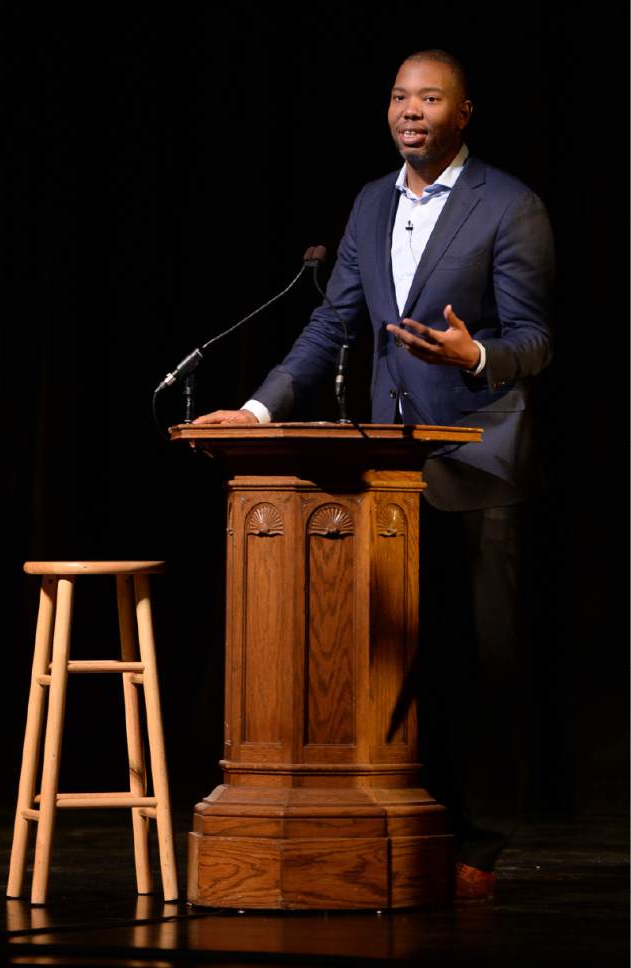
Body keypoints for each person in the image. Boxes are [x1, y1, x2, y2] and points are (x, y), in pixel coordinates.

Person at [194, 49, 554, 900]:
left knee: (483, 660)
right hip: (384, 475)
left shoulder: (511, 206)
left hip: (476, 459)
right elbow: (332, 325)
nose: (411, 111)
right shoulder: (369, 202)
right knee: (393, 659)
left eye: (430, 98)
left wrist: (478, 355)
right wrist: (255, 414)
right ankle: (404, 821)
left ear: (463, 113)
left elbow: (535, 342)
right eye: (400, 96)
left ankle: (483, 844)